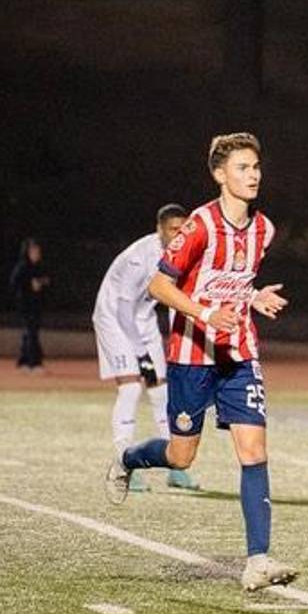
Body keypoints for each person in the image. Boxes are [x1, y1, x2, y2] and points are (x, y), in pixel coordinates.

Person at [105, 133, 296, 591]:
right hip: (192, 357)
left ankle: (258, 560)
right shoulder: (199, 226)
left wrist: (253, 297)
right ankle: (127, 458)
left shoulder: (264, 229)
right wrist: (206, 314)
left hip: (239, 354)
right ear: (219, 175)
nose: (253, 175)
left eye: (256, 167)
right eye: (243, 168)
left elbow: (235, 281)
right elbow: (159, 286)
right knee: (181, 455)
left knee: (254, 451)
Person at [93, 204, 199, 493]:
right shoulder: (139, 257)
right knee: (131, 387)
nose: (178, 235)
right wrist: (141, 354)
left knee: (160, 391)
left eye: (183, 229)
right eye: (173, 229)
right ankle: (124, 461)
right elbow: (123, 309)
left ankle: (175, 468)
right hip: (114, 319)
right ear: (159, 229)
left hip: (143, 319)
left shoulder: (185, 251)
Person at [10, 237, 50, 372]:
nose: (36, 254)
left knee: (29, 333)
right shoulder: (22, 267)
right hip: (25, 305)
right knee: (31, 332)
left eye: (38, 251)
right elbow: (14, 283)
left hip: (37, 305)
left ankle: (23, 361)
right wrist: (29, 285)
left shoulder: (40, 267)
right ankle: (34, 363)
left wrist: (41, 283)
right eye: (33, 251)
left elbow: (48, 281)